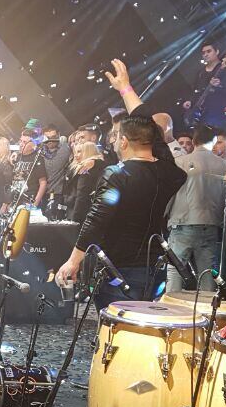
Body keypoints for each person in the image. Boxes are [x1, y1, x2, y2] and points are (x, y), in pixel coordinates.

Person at [57, 60, 187, 305]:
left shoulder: (117, 174)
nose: (114, 142)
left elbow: (96, 219)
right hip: (153, 270)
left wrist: (73, 261)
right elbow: (154, 137)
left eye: (117, 137)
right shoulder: (170, 173)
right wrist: (126, 90)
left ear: (124, 142)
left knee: (112, 336)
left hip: (118, 271)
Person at [165, 124, 226, 292]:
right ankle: (205, 313)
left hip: (182, 222)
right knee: (207, 274)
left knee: (175, 270)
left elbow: (169, 193)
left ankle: (171, 310)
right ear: (214, 141)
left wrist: (164, 214)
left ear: (194, 141)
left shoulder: (180, 162)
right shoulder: (223, 165)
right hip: (210, 224)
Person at [182, 41, 226, 126]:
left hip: (217, 112)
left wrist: (219, 85)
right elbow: (194, 90)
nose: (205, 54)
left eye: (209, 51)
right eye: (203, 53)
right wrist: (189, 101)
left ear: (216, 52)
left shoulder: (225, 69)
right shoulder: (200, 72)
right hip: (200, 113)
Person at [67, 141, 107, 224]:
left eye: (79, 151)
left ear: (88, 151)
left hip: (82, 212)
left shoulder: (87, 165)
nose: (76, 155)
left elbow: (81, 193)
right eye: (75, 152)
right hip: (93, 210)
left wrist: (75, 219)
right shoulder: (100, 164)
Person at [40, 125, 72, 219]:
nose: (50, 141)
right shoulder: (40, 151)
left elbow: (55, 165)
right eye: (47, 138)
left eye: (53, 138)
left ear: (59, 135)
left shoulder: (66, 149)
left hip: (58, 195)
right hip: (41, 194)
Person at [10, 131, 48, 209]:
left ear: (32, 145)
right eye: (20, 141)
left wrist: (35, 204)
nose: (21, 144)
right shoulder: (16, 157)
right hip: (14, 199)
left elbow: (43, 182)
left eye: (24, 142)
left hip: (28, 199)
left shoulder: (37, 158)